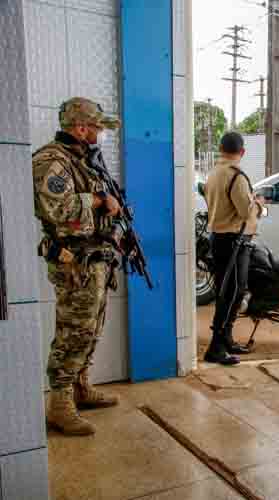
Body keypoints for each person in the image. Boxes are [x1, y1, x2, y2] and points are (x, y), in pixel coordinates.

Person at [33, 97, 122, 436]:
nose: (101, 134)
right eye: (98, 128)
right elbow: (61, 211)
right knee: (72, 333)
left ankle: (81, 387)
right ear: (82, 128)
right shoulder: (51, 161)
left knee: (90, 330)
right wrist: (99, 201)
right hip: (73, 263)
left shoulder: (84, 161)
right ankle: (59, 404)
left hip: (94, 259)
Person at [204, 131, 265, 365]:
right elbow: (245, 211)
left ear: (220, 148)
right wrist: (258, 204)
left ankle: (226, 339)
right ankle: (216, 348)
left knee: (227, 292)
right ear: (242, 152)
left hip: (219, 239)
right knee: (231, 294)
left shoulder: (214, 173)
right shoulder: (236, 177)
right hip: (234, 242)